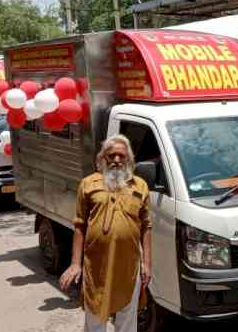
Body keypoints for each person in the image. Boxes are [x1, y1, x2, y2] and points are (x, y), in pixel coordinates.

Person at [59, 134, 151, 332]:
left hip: (130, 265)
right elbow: (79, 225)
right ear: (103, 158)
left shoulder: (140, 186)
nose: (117, 160)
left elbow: (146, 227)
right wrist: (76, 264)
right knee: (95, 315)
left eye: (121, 156)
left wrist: (146, 264)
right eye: (112, 156)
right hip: (97, 265)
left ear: (129, 159)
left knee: (127, 317)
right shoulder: (88, 184)